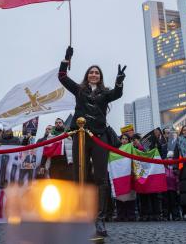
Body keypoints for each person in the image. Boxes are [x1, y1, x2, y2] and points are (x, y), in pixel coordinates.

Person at [58, 46, 125, 237]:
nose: (93, 74)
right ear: (87, 75)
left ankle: (100, 219)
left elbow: (117, 94)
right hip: (81, 135)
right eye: (91, 72)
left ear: (100, 76)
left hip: (99, 137)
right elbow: (62, 77)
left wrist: (119, 82)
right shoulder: (79, 90)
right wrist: (66, 59)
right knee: (80, 175)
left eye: (96, 73)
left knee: (101, 178)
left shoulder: (105, 93)